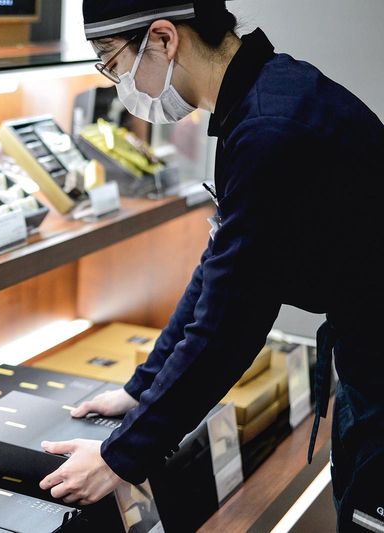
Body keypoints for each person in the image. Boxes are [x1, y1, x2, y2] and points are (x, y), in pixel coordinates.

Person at [38, 1, 384, 531]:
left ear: (163, 38)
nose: (119, 85)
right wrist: (140, 389)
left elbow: (229, 325)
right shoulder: (263, 96)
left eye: (113, 64)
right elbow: (221, 269)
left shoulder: (269, 130)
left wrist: (119, 458)